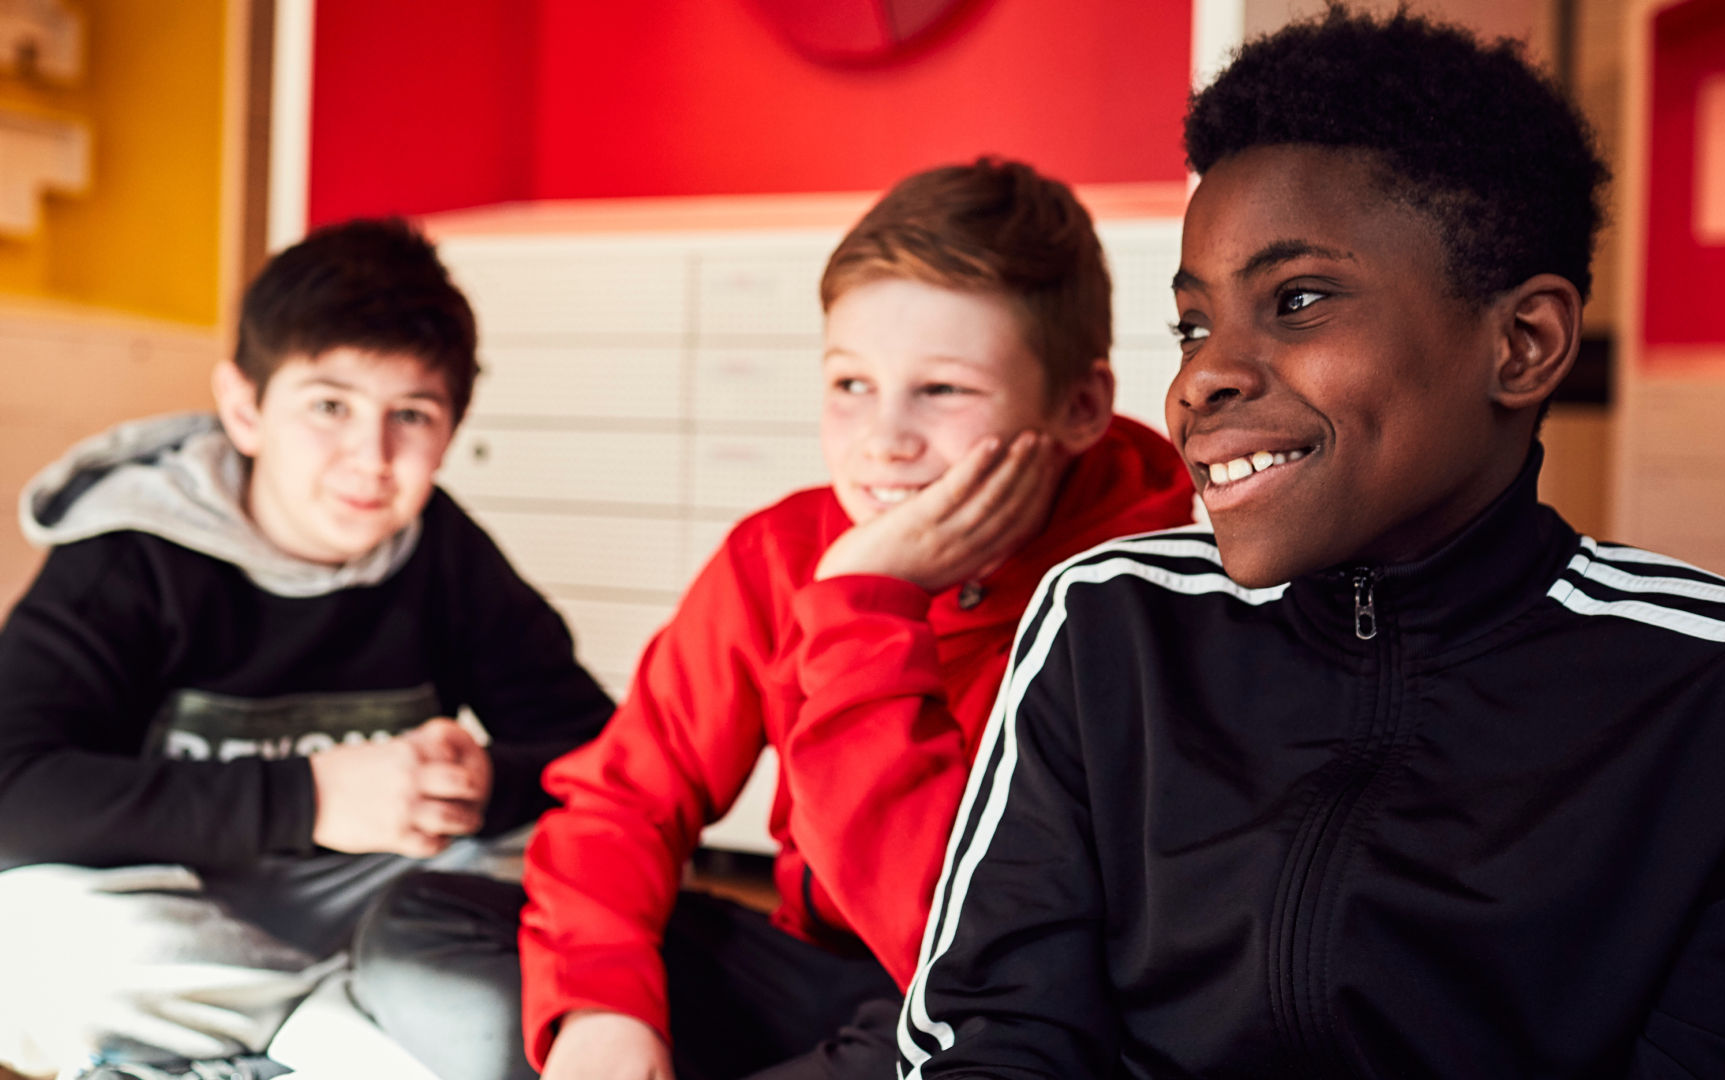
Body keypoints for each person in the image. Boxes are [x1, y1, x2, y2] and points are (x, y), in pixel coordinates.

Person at [895, 9, 1725, 1079]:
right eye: (1193, 325)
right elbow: (993, 1033)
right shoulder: (1107, 621)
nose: (1200, 380)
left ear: (1523, 343)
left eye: (1299, 300)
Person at [347, 157, 1195, 1080]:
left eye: (942, 390)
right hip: (815, 974)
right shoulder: (781, 552)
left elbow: (971, 943)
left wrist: (866, 605)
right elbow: (627, 799)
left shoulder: (1143, 596)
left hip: (997, 998)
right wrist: (600, 1011)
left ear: (1079, 407)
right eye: (850, 385)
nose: (883, 439)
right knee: (420, 925)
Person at [0, 219, 614, 1080]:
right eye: (329, 407)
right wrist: (312, 796)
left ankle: (236, 1052)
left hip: (367, 899)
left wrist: (476, 785)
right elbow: (15, 790)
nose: (371, 458)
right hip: (169, 899)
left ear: (451, 431)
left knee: (556, 874)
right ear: (247, 409)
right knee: (22, 932)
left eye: (412, 415)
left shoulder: (441, 551)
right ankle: (339, 1039)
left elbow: (598, 753)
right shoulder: (127, 552)